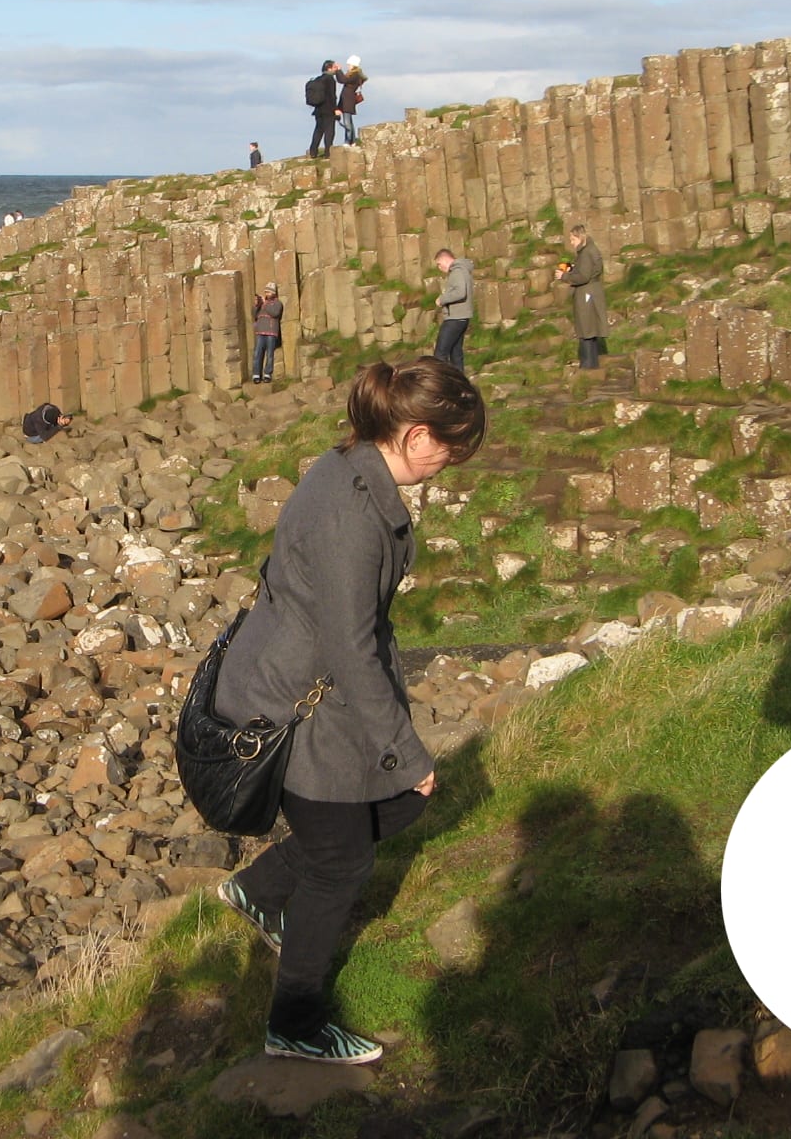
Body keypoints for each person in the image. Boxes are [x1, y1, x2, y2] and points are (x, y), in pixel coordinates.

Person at [214, 357, 485, 1065]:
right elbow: (351, 650)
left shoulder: (351, 466)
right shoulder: (352, 518)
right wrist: (407, 752)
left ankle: (263, 890)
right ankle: (295, 1025)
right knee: (341, 863)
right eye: (452, 449)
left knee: (394, 807)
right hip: (296, 701)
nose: (451, 464)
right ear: (418, 433)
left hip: (301, 678)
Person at [555, 224, 607, 369]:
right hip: (592, 292)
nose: (571, 243)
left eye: (572, 239)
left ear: (579, 237)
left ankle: (588, 365)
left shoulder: (586, 253)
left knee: (586, 329)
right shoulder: (590, 250)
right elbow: (587, 271)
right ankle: (591, 363)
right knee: (590, 327)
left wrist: (564, 276)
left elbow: (583, 276)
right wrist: (573, 268)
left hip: (587, 293)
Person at [432, 248, 473, 369]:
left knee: (440, 354)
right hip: (461, 318)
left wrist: (442, 299)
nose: (439, 268)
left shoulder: (457, 271)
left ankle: (441, 384)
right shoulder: (462, 270)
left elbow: (460, 292)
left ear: (445, 259)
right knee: (456, 354)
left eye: (439, 264)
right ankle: (460, 384)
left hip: (455, 318)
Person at [305, 59, 340, 160]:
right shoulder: (330, 80)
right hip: (328, 109)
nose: (335, 70)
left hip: (318, 109)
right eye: (334, 67)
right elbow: (332, 96)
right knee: (329, 131)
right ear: (329, 68)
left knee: (318, 131)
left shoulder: (318, 79)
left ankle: (313, 152)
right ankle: (328, 153)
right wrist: (335, 109)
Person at [251, 283, 284, 383]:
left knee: (270, 354)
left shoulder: (277, 303)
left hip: (271, 332)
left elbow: (275, 313)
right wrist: (257, 305)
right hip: (260, 332)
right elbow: (254, 315)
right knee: (257, 353)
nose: (266, 294)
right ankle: (256, 374)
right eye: (266, 292)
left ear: (273, 293)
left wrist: (265, 303)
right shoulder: (262, 304)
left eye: (268, 292)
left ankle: (267, 374)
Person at [337, 55, 367, 146]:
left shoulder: (355, 75)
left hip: (348, 100)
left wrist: (338, 70)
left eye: (349, 64)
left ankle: (348, 140)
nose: (348, 66)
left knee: (347, 122)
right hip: (347, 99)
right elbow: (342, 80)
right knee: (349, 121)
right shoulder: (354, 74)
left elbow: (342, 80)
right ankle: (352, 140)